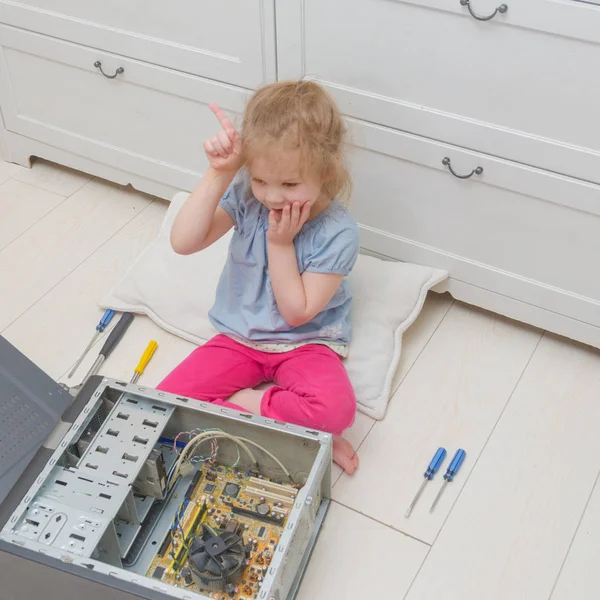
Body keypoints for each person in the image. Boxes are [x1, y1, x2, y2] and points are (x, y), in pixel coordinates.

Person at [158, 81, 360, 474]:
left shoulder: (339, 233)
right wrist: (221, 171)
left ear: (328, 170)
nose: (272, 196)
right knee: (167, 404)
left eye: (289, 184)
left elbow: (297, 313)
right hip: (239, 337)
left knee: (335, 412)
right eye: (260, 180)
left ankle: (255, 409)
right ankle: (296, 433)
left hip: (305, 342)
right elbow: (183, 242)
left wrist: (281, 245)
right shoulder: (248, 196)